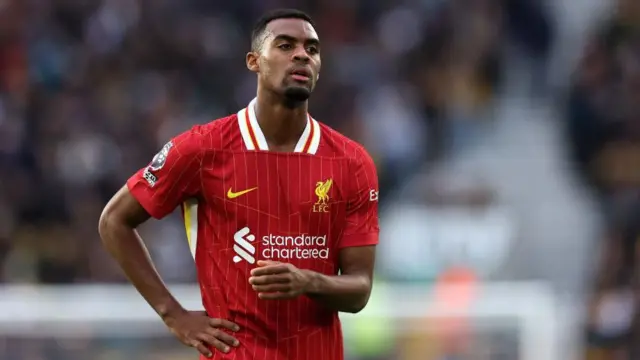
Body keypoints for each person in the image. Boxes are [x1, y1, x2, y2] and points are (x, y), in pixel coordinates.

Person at [98, 8, 380, 360]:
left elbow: (360, 289)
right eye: (285, 45)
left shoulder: (351, 163)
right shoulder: (203, 149)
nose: (301, 55)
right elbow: (113, 221)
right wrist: (174, 315)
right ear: (253, 61)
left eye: (312, 49)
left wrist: (308, 281)